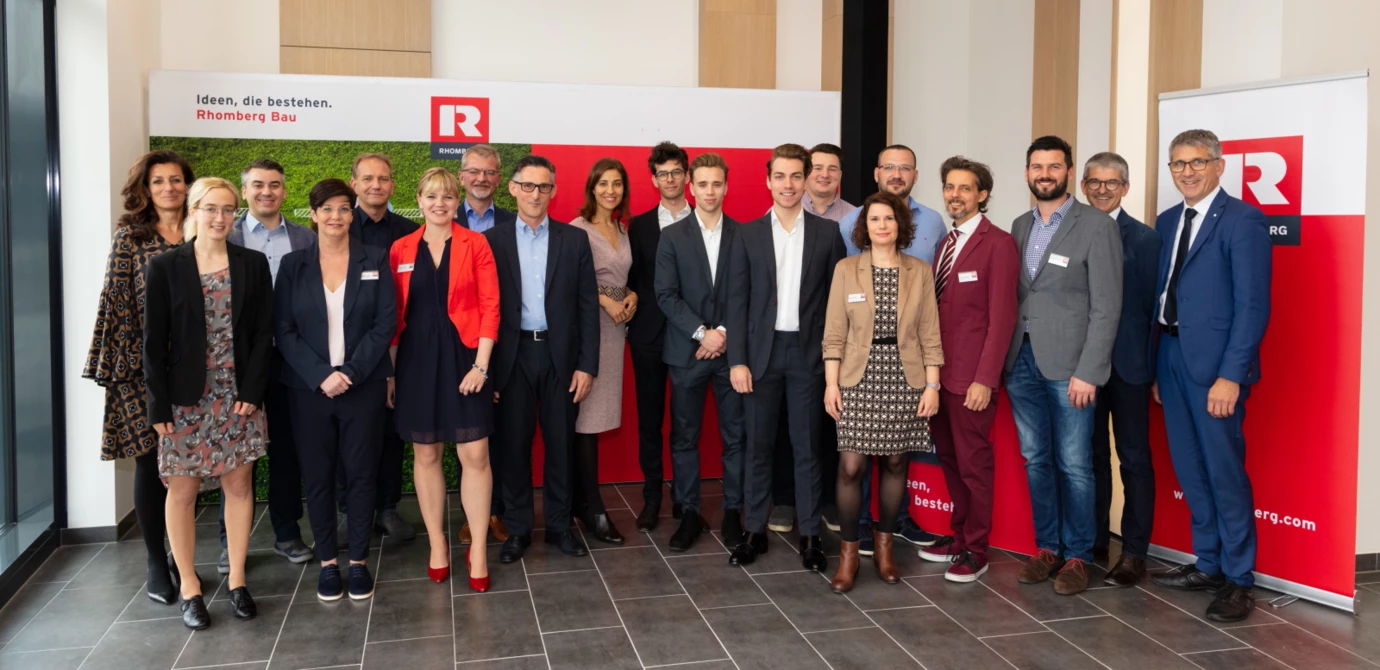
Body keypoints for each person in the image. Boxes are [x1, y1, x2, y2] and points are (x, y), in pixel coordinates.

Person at [1150, 129, 1271, 623]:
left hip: (1215, 367)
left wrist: (1232, 375)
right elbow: (1162, 294)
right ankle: (1209, 563)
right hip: (1171, 358)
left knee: (1224, 472)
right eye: (1178, 164)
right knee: (1190, 467)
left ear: (1220, 165)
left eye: (1197, 162)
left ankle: (1240, 580)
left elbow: (1252, 305)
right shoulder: (1167, 220)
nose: (1187, 172)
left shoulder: (1243, 220)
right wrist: (1158, 365)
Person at [144, 176, 274, 629]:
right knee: (182, 491)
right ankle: (189, 586)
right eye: (211, 208)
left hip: (238, 398)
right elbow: (152, 343)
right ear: (193, 210)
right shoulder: (164, 267)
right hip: (184, 400)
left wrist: (252, 393)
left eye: (227, 209)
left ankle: (237, 579)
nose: (220, 218)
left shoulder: (253, 264)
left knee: (239, 487)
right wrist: (157, 405)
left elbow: (262, 334)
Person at [1006, 136, 1123, 596]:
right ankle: (1047, 548)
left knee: (1075, 464)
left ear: (1069, 172)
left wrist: (1090, 371)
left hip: (1071, 367)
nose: (1045, 174)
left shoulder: (1096, 226)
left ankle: (1078, 555)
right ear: (1027, 173)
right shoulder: (1018, 225)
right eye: (1037, 166)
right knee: (1036, 460)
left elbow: (1106, 306)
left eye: (1054, 166)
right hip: (1022, 361)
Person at [276, 179, 397, 601]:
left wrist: (351, 372)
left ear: (353, 213)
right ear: (312, 214)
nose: (336, 217)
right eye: (326, 209)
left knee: (363, 475)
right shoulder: (293, 266)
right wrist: (321, 374)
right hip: (309, 390)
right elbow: (284, 331)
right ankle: (328, 562)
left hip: (362, 387)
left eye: (344, 209)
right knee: (319, 477)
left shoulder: (375, 259)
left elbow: (385, 325)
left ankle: (359, 560)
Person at [726, 143, 845, 570]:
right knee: (757, 446)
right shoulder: (746, 233)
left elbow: (836, 306)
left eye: (797, 176)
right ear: (768, 180)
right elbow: (735, 302)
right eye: (780, 176)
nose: (789, 184)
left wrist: (834, 361)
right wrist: (736, 360)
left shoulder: (828, 234)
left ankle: (811, 535)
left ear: (808, 179)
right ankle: (753, 531)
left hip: (809, 357)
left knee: (808, 447)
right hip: (760, 354)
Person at [84, 150, 194, 606]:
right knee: (151, 464)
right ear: (145, 190)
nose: (169, 188)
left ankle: (184, 559)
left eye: (176, 179)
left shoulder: (200, 229)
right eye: (158, 182)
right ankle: (155, 559)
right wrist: (139, 376)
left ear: (189, 184)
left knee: (187, 469)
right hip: (142, 370)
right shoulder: (130, 237)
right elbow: (118, 304)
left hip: (195, 367)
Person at [822, 190, 944, 593]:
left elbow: (930, 333)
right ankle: (849, 553)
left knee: (895, 465)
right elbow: (835, 333)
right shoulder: (846, 270)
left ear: (901, 226)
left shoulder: (919, 272)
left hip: (905, 378)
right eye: (874, 219)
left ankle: (886, 548)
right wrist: (830, 383)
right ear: (864, 226)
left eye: (889, 219)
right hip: (857, 377)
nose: (882, 226)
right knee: (851, 468)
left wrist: (932, 385)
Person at [485, 156, 600, 563]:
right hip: (511, 357)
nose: (536, 194)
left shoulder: (574, 240)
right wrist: (489, 369)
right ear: (513, 188)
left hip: (561, 358)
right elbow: (486, 307)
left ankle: (558, 526)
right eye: (528, 186)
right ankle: (516, 529)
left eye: (544, 187)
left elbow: (588, 307)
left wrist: (587, 365)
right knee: (513, 447)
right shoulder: (493, 241)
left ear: (553, 190)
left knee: (560, 445)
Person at [391, 167, 499, 593]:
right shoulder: (400, 247)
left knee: (475, 455)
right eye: (431, 196)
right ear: (418, 200)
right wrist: (390, 373)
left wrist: (481, 366)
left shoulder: (476, 243)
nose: (439, 203)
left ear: (458, 202)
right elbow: (393, 317)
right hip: (415, 360)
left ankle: (478, 550)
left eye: (448, 197)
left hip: (465, 358)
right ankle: (437, 544)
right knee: (427, 454)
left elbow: (491, 307)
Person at [919, 157, 1019, 583]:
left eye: (964, 188)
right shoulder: (946, 243)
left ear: (982, 195)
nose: (954, 195)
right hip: (939, 377)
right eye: (949, 187)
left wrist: (985, 379)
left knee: (974, 464)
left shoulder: (997, 244)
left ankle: (976, 548)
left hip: (971, 379)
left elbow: (1002, 318)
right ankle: (958, 536)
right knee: (949, 459)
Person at [223, 159, 316, 571]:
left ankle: (286, 532)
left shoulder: (305, 239)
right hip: (236, 363)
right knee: (233, 455)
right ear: (244, 192)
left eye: (275, 185)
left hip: (290, 359)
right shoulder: (225, 236)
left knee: (287, 450)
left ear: (284, 190)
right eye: (258, 185)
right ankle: (231, 541)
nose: (267, 192)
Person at [654, 152, 745, 552]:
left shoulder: (746, 235)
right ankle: (689, 512)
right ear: (691, 186)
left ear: (727, 186)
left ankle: (733, 512)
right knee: (684, 437)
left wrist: (721, 333)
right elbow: (665, 295)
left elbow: (750, 295)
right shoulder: (672, 237)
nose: (710, 191)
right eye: (703, 184)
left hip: (731, 355)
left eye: (717, 184)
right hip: (686, 353)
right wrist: (701, 333)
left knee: (736, 437)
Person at [1079, 152, 1162, 586]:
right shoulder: (1070, 232)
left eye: (1112, 183)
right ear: (1083, 185)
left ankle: (1133, 553)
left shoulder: (1146, 240)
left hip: (1129, 368)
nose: (1102, 189)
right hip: (1082, 370)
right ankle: (1092, 541)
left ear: (1125, 188)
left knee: (1133, 459)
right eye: (1094, 182)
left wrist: (1155, 373)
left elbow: (1154, 312)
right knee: (1089, 458)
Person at [770, 142, 856, 536]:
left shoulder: (854, 219)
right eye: (816, 168)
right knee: (782, 426)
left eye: (831, 169)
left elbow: (838, 290)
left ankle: (822, 500)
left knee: (823, 426)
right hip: (776, 344)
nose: (823, 175)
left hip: (825, 345)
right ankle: (785, 499)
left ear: (840, 175)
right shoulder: (779, 217)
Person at [345, 152, 418, 544]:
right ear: (354, 183)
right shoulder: (337, 227)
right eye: (368, 178)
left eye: (384, 179)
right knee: (349, 437)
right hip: (346, 354)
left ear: (393, 185)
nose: (377, 185)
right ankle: (351, 512)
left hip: (395, 352)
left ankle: (387, 508)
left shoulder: (410, 233)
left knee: (391, 434)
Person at [626, 141, 693, 531]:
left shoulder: (705, 219)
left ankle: (685, 500)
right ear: (654, 179)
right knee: (649, 422)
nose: (669, 179)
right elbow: (632, 281)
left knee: (686, 424)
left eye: (675, 172)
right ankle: (652, 497)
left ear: (686, 175)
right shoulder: (638, 226)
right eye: (662, 173)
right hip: (649, 336)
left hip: (691, 337)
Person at [568, 158, 635, 545]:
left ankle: (583, 500)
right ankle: (592, 506)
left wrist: (630, 296)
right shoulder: (578, 231)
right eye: (603, 183)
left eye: (617, 184)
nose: (611, 190)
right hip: (589, 331)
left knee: (595, 419)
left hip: (616, 332)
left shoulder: (622, 229)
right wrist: (605, 301)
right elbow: (572, 284)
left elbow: (623, 278)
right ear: (591, 187)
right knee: (587, 421)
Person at [456, 143, 517, 234]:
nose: (481, 179)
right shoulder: (447, 221)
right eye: (474, 172)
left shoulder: (514, 223)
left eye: (489, 172)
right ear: (461, 178)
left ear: (498, 179)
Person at [803, 143, 855, 221]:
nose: (825, 175)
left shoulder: (855, 216)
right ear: (806, 173)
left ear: (840, 175)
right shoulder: (786, 211)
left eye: (832, 169)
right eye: (818, 168)